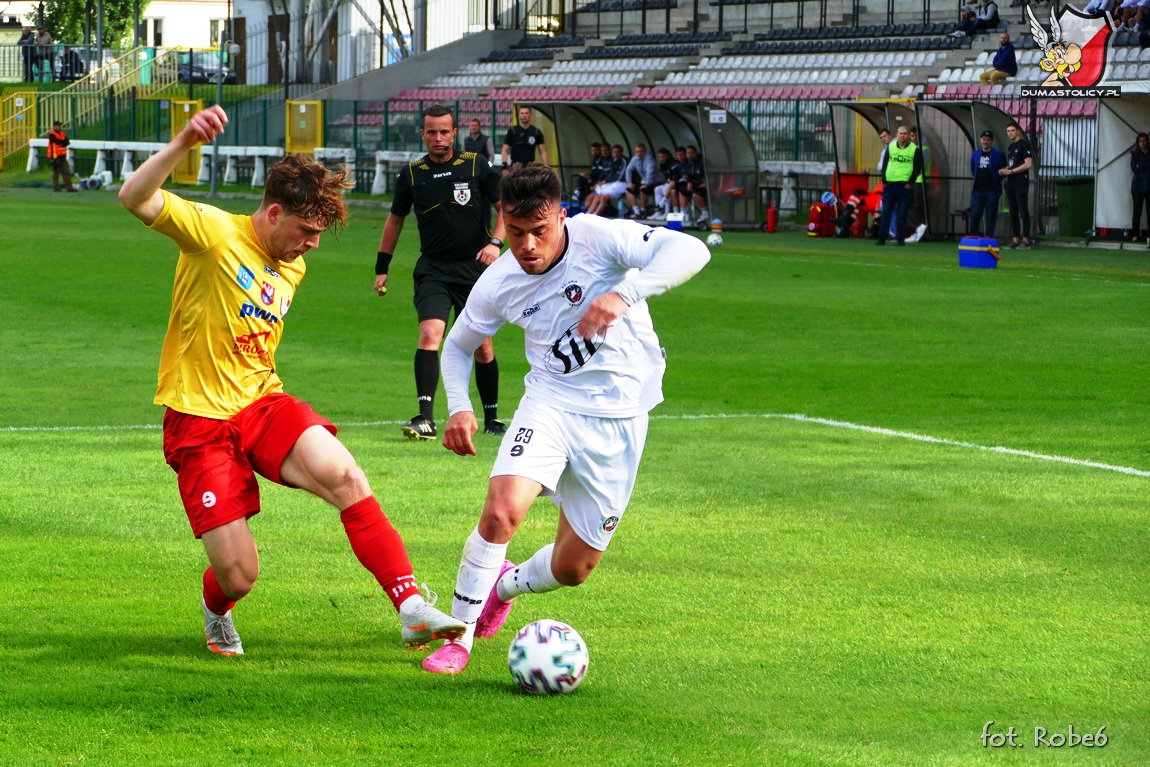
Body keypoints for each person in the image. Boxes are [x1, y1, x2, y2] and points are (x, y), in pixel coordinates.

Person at [118, 104, 465, 658]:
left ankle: (410, 608)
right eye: (306, 231)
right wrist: (185, 139)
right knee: (239, 575)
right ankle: (216, 609)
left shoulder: (292, 263)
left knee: (347, 474)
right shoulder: (211, 233)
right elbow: (134, 198)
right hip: (199, 421)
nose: (313, 245)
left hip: (262, 403)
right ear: (274, 213)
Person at [419, 163, 711, 675]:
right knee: (502, 510)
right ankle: (457, 636)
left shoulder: (599, 238)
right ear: (502, 221)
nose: (528, 245)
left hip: (620, 415)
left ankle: (504, 586)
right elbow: (457, 347)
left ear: (561, 216)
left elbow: (693, 249)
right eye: (515, 233)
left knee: (574, 568)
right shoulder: (498, 281)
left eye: (540, 231)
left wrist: (623, 295)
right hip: (549, 403)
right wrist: (459, 406)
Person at [375, 105, 507, 441]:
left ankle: (491, 417)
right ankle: (425, 418)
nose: (438, 138)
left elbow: (505, 208)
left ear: (454, 132)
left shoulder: (476, 165)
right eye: (431, 132)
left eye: (444, 132)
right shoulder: (412, 173)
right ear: (423, 134)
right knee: (430, 334)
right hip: (433, 269)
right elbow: (395, 220)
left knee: (482, 347)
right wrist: (382, 267)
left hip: (476, 270)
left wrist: (495, 243)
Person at [876, 125, 922, 246]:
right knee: (886, 212)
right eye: (900, 133)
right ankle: (881, 237)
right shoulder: (891, 147)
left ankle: (900, 238)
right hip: (890, 185)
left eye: (905, 133)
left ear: (908, 135)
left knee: (902, 213)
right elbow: (885, 164)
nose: (903, 136)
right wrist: (884, 180)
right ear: (897, 135)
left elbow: (917, 168)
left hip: (904, 187)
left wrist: (910, 183)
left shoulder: (914, 149)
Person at [999, 122, 1034, 249]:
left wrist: (1012, 171)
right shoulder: (1011, 147)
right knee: (1013, 211)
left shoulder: (1024, 145)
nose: (1010, 133)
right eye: (1008, 131)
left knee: (1023, 210)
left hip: (1020, 182)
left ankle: (1026, 240)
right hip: (1011, 182)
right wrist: (1005, 169)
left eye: (1012, 130)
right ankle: (1016, 239)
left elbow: (1028, 164)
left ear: (1018, 131)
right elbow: (1013, 164)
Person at [969, 129, 1007, 238]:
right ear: (981, 140)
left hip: (992, 190)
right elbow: (973, 169)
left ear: (992, 141)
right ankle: (974, 236)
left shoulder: (998, 154)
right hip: (978, 190)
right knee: (975, 214)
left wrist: (997, 175)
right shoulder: (975, 154)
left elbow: (1004, 170)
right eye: (984, 139)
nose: (986, 142)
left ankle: (989, 237)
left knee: (991, 216)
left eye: (988, 140)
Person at [583, 144, 628, 217]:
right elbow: (609, 174)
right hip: (610, 183)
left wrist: (605, 182)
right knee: (593, 196)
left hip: (621, 183)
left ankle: (594, 216)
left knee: (603, 198)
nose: (616, 154)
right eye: (614, 152)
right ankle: (587, 215)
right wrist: (601, 182)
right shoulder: (613, 161)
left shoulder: (624, 160)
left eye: (618, 152)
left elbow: (619, 176)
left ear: (622, 152)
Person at [623, 143, 658, 219]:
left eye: (641, 151)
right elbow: (629, 169)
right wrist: (629, 183)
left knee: (643, 189)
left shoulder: (649, 159)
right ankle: (636, 211)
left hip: (655, 182)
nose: (639, 153)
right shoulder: (635, 159)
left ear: (645, 151)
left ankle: (643, 210)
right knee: (628, 190)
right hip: (644, 181)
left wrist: (647, 184)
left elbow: (650, 173)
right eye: (637, 152)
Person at [1130, 132, 1150, 241]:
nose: (1142, 143)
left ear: (1147, 141)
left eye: (1144, 141)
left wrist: (1141, 166)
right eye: (1140, 141)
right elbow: (1134, 168)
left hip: (1148, 183)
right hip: (1137, 186)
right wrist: (1142, 167)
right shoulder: (1135, 154)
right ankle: (1135, 234)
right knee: (1137, 211)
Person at [46, 121, 76, 193]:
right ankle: (56, 187)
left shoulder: (62, 133)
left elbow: (67, 142)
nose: (59, 127)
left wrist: (62, 142)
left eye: (59, 125)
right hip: (55, 156)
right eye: (57, 125)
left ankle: (69, 187)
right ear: (54, 126)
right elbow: (56, 141)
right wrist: (63, 142)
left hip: (63, 156)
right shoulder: (52, 134)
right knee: (56, 172)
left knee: (66, 172)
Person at [652, 147, 677, 220]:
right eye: (660, 157)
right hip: (668, 184)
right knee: (657, 189)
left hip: (676, 185)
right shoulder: (662, 165)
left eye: (663, 156)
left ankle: (667, 212)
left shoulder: (673, 163)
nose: (662, 158)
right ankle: (658, 212)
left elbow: (674, 179)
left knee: (666, 188)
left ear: (667, 156)